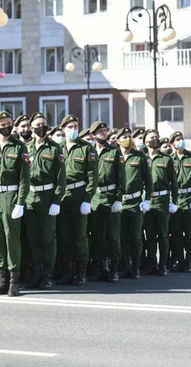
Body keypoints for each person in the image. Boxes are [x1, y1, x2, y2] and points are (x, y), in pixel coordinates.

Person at [0, 111, 31, 296]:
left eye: (9, 123)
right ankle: (2, 280)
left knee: (12, 239)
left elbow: (24, 179)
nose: (6, 127)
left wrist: (20, 203)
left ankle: (13, 281)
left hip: (10, 197)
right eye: (2, 124)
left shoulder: (19, 147)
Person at [24, 112, 65, 290]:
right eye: (37, 124)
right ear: (31, 128)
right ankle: (36, 273)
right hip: (29, 198)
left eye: (44, 124)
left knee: (48, 238)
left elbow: (60, 178)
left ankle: (48, 275)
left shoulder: (55, 148)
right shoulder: (25, 148)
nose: (41, 127)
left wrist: (57, 200)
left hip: (47, 197)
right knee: (33, 238)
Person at [57, 115, 97, 286]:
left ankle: (81, 272)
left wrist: (87, 199)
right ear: (63, 129)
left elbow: (92, 176)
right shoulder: (57, 148)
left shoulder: (87, 148)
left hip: (79, 195)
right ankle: (68, 270)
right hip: (63, 197)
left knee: (80, 236)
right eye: (70, 127)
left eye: (76, 126)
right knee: (65, 236)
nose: (73, 130)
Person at [89, 121, 125, 283]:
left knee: (113, 236)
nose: (103, 133)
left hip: (110, 198)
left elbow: (121, 178)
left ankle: (114, 269)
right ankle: (101, 268)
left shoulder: (115, 152)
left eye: (104, 130)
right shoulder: (89, 151)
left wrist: (118, 199)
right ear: (93, 135)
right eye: (100, 131)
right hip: (95, 199)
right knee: (97, 236)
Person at [117, 127, 152, 279]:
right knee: (122, 236)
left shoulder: (140, 156)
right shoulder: (114, 156)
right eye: (124, 136)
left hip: (135, 202)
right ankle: (125, 266)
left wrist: (147, 199)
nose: (128, 139)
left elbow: (148, 180)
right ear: (118, 140)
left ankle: (135, 267)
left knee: (136, 237)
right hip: (119, 202)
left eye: (129, 136)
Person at [142, 129, 178, 276]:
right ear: (145, 141)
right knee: (150, 235)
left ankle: (162, 265)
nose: (155, 140)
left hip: (162, 200)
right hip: (147, 201)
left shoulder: (166, 159)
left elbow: (174, 183)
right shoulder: (142, 158)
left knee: (163, 234)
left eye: (156, 137)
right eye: (152, 138)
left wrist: (173, 201)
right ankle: (151, 264)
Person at [169, 131, 191, 273]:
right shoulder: (169, 159)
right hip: (175, 200)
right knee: (176, 233)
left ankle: (188, 261)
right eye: (177, 139)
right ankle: (180, 261)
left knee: (189, 233)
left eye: (181, 138)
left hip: (189, 199)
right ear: (172, 143)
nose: (180, 141)